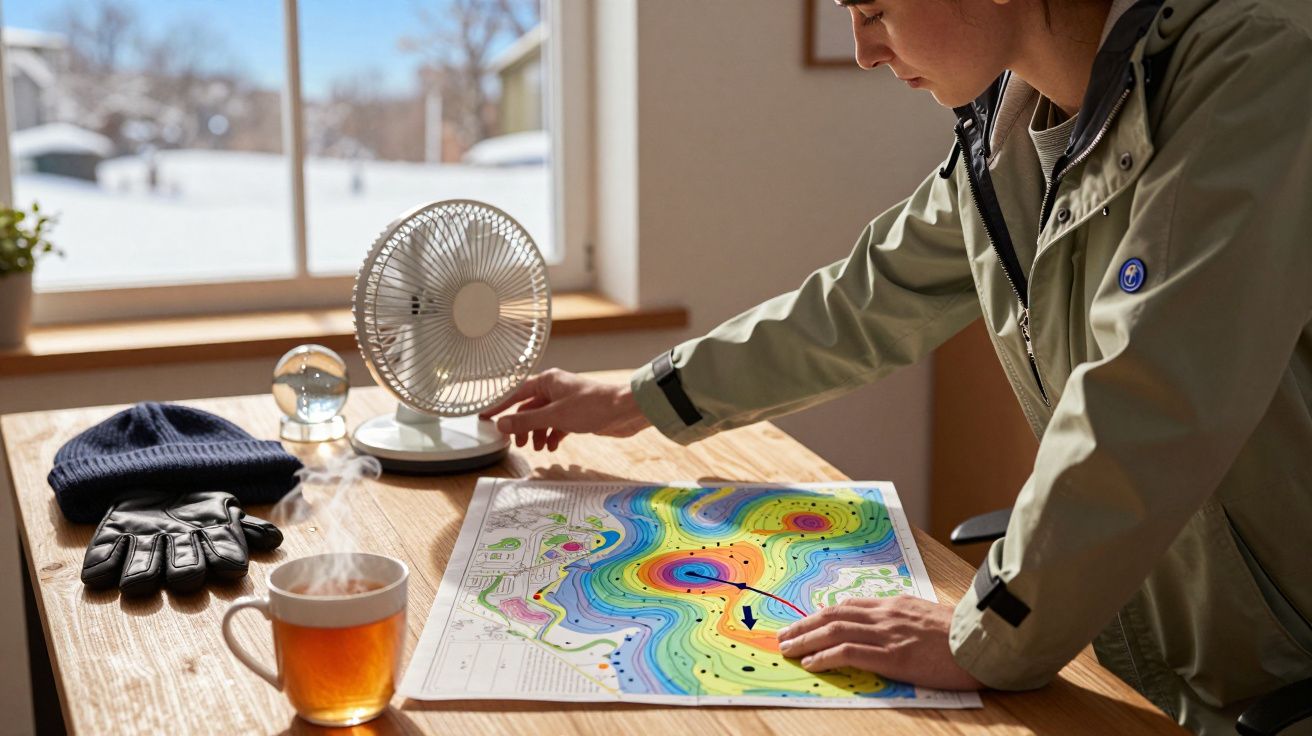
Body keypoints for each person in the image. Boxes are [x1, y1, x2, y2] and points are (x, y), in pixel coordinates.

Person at [481, 0, 1312, 732]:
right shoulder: (1013, 128)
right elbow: (864, 301)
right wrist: (643, 395)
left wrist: (987, 635)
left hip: (1275, 677)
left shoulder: (1255, 65)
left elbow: (1148, 397)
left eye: (874, 9)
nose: (863, 51)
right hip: (1143, 659)